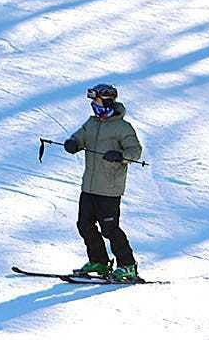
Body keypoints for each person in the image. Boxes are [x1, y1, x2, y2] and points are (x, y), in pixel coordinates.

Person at [64, 83, 143, 281]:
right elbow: (79, 137)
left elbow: (135, 151)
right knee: (84, 225)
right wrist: (73, 143)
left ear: (107, 102)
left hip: (109, 188)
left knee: (110, 229)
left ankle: (128, 265)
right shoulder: (91, 123)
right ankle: (99, 261)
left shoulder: (122, 127)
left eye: (97, 101)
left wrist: (121, 156)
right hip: (89, 187)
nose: (94, 105)